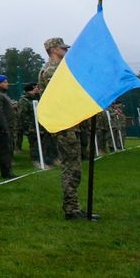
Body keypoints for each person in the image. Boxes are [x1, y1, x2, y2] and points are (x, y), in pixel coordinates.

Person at [39, 37, 98, 220]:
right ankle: (71, 209)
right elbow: (63, 96)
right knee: (71, 167)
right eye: (62, 48)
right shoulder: (51, 71)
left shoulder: (60, 69)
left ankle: (74, 207)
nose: (66, 50)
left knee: (75, 165)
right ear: (53, 49)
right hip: (63, 124)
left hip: (70, 122)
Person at [0, 75, 16, 179]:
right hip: (2, 128)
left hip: (8, 126)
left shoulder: (3, 94)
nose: (7, 83)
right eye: (4, 82)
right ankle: (6, 172)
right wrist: (4, 127)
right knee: (4, 150)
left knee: (8, 149)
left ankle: (8, 170)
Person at [18, 83, 42, 167]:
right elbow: (22, 114)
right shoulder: (24, 100)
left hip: (39, 124)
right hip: (31, 125)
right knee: (34, 143)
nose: (38, 89)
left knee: (41, 142)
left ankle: (43, 159)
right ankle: (35, 160)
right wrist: (27, 126)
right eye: (36, 88)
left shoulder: (37, 98)